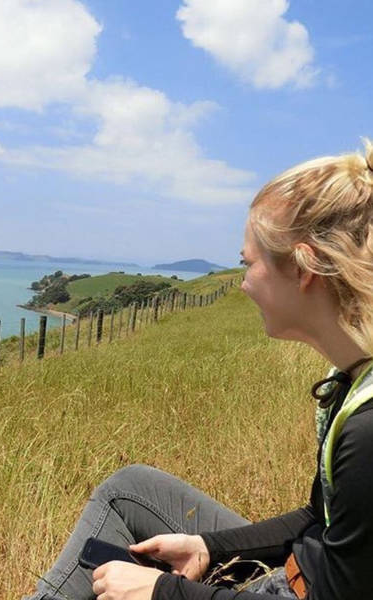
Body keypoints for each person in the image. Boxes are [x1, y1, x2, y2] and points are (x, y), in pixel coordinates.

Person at [27, 143, 373, 600]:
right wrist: (206, 547)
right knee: (129, 489)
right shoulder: (352, 377)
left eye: (249, 264)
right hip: (302, 573)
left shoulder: (367, 431)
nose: (244, 284)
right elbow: (322, 517)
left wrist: (162, 592)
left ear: (304, 268)